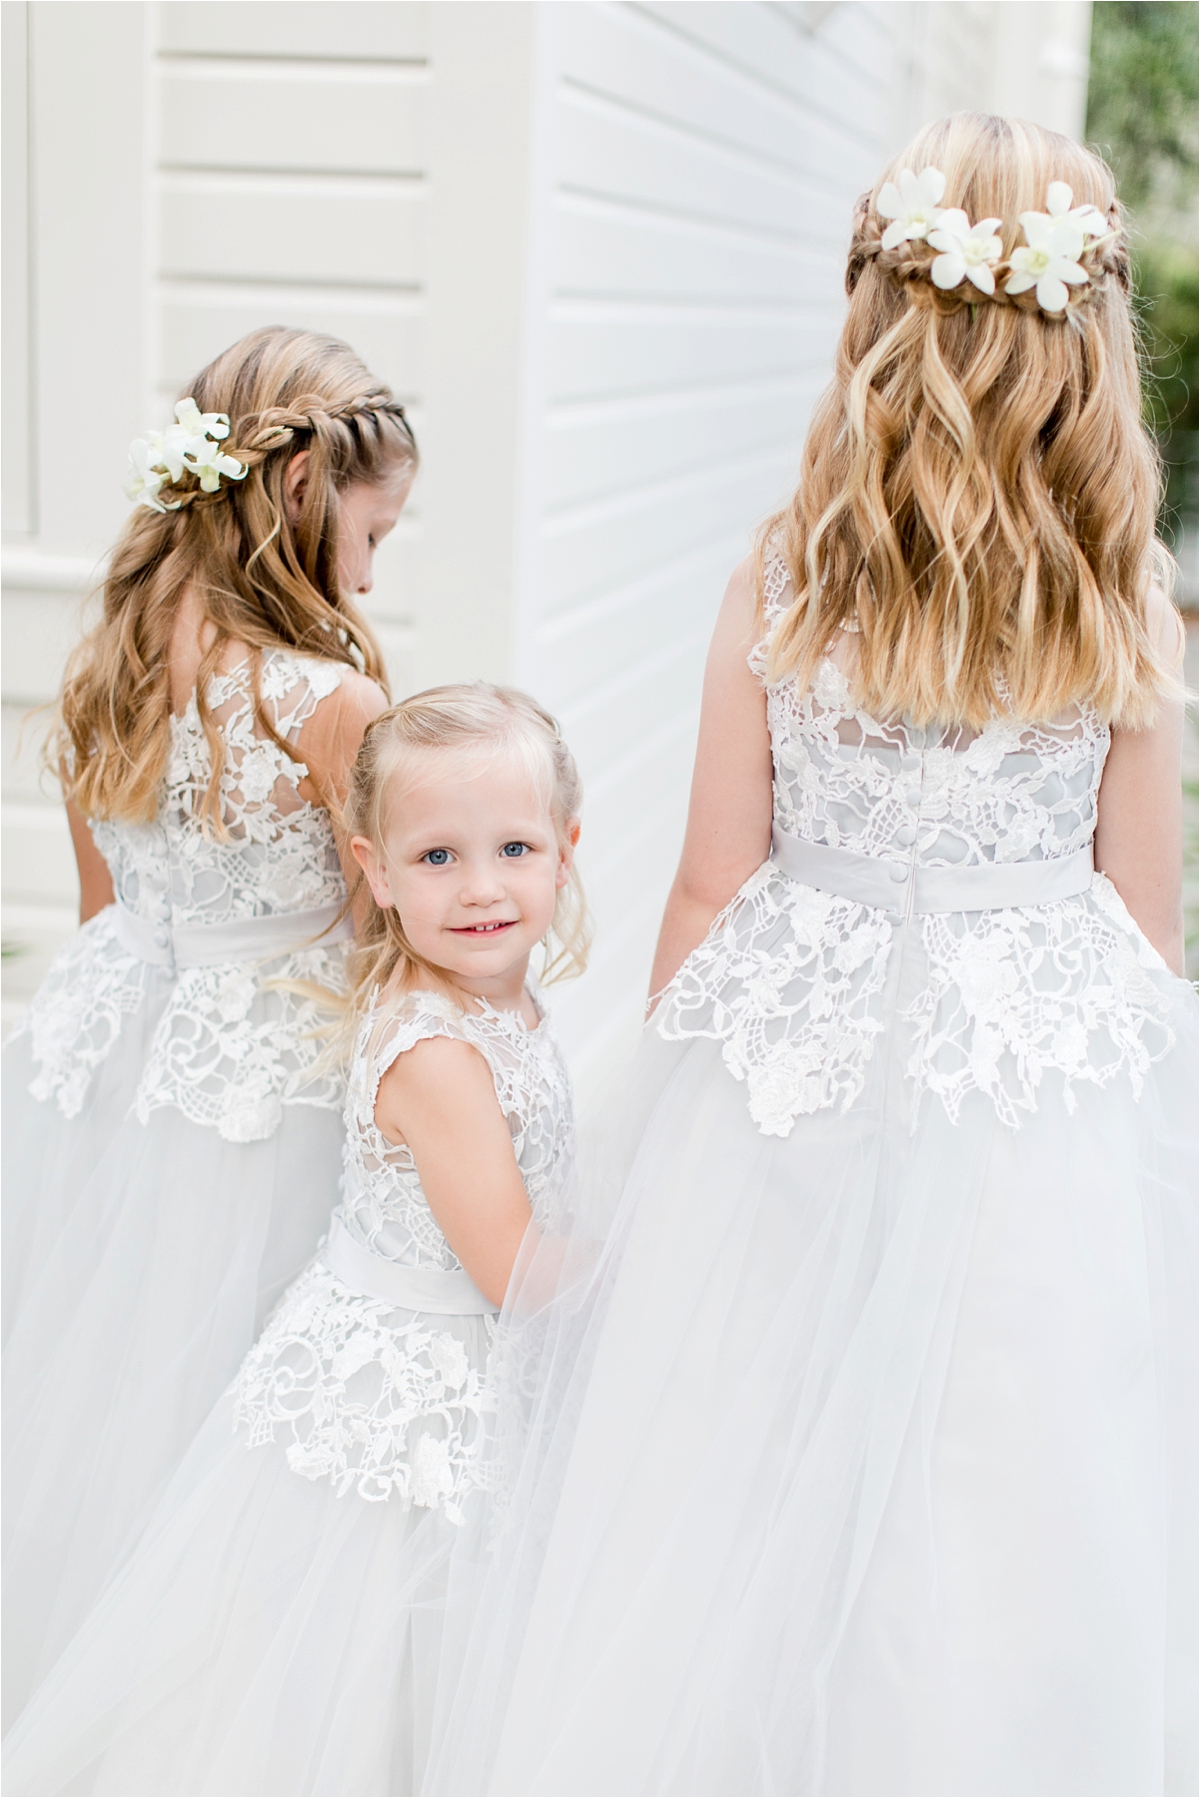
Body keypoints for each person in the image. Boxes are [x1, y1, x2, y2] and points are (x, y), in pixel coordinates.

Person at [423, 114, 1198, 1797]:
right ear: (1090, 339)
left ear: (876, 317)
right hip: (1036, 1079)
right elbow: (1145, 918)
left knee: (742, 1448)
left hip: (797, 1058)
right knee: (1017, 1458)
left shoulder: (790, 569)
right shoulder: (1128, 591)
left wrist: (668, 1117)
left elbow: (711, 884)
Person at [2, 683, 586, 1796]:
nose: (480, 888)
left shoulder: (498, 1006)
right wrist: (660, 1260)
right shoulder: (437, 1053)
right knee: (352, 1680)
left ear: (567, 847)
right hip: (399, 1409)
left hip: (465, 1376)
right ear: (371, 868)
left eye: (512, 847)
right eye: (436, 859)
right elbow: (512, 1266)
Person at [2, 326, 415, 1728]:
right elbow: (386, 951)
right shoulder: (332, 702)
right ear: (302, 490)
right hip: (264, 1088)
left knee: (103, 1382)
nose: (373, 571)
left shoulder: (108, 662)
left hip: (113, 1056)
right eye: (374, 531)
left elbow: (105, 903)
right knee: (236, 1402)